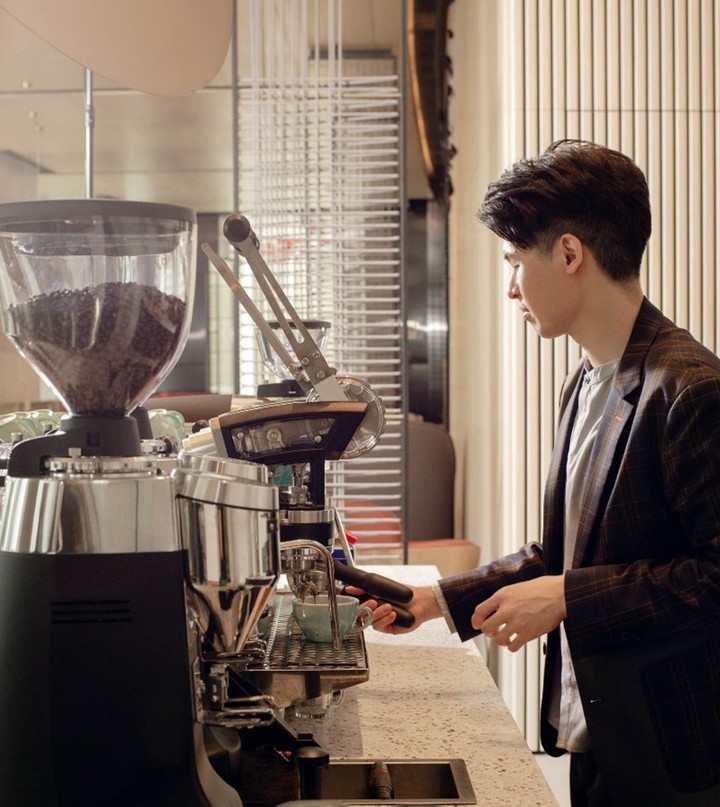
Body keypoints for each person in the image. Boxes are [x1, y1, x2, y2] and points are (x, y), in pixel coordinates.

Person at [366, 140, 720, 806]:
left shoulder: (690, 388)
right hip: (597, 737)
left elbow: (713, 575)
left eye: (515, 262)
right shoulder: (584, 383)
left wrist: (567, 597)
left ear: (569, 254)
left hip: (672, 754)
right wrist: (436, 601)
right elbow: (564, 555)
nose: (511, 288)